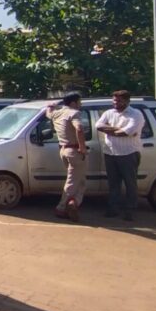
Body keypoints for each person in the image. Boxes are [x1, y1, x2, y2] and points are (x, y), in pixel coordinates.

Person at [95, 90, 144, 221]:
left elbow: (126, 132)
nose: (115, 103)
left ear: (127, 101)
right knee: (113, 183)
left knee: (130, 183)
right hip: (110, 153)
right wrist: (118, 130)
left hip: (128, 153)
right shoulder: (109, 113)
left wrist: (110, 129)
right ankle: (113, 208)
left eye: (119, 101)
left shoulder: (136, 114)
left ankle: (130, 210)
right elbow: (98, 126)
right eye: (114, 100)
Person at [44, 92, 88, 221]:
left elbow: (48, 113)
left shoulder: (57, 113)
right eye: (79, 102)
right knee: (73, 181)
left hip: (63, 150)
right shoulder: (74, 113)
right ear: (73, 103)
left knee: (79, 180)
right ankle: (63, 207)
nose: (80, 104)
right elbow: (79, 128)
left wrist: (50, 106)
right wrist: (82, 147)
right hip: (74, 150)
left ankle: (73, 202)